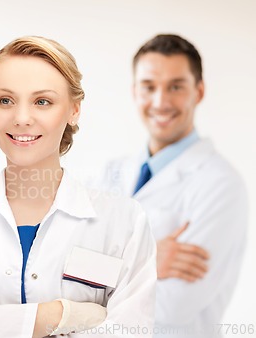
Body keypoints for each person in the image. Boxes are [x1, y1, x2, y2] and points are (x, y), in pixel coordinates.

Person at [0, 36, 156, 338]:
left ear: (74, 110)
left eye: (42, 102)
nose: (22, 118)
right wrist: (59, 316)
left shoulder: (124, 222)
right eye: (5, 101)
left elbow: (131, 332)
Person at [98, 34, 248, 337]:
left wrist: (95, 269)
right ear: (134, 91)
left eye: (176, 87)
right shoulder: (110, 172)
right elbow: (58, 272)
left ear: (199, 91)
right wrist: (148, 258)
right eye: (149, 87)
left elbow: (172, 307)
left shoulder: (221, 185)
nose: (160, 102)